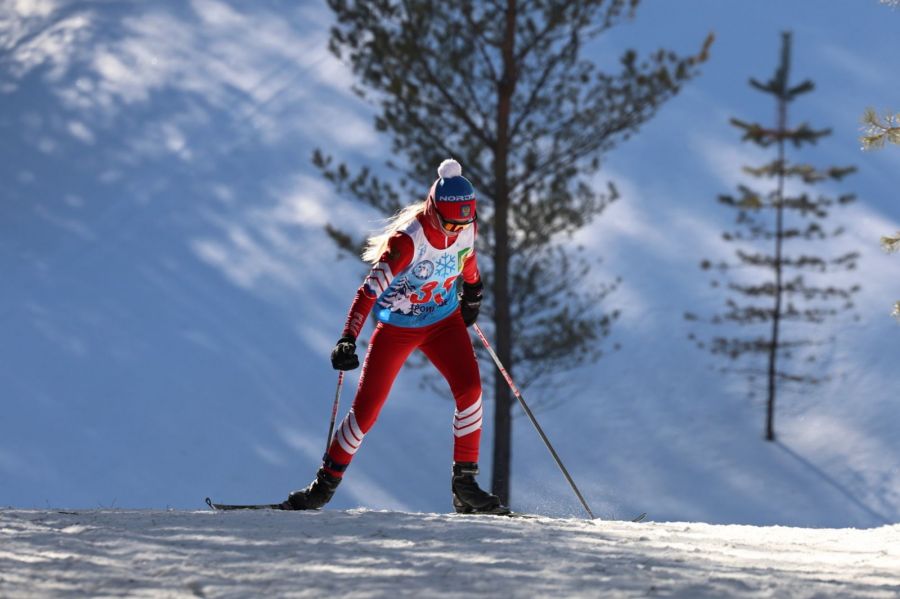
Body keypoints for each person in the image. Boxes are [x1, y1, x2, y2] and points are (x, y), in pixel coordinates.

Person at [283, 158, 508, 515]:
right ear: (434, 211)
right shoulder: (408, 242)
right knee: (366, 412)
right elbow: (368, 292)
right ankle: (322, 488)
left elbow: (467, 258)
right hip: (398, 329)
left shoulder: (464, 226)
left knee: (471, 391)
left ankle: (464, 486)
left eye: (462, 222)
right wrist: (347, 337)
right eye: (449, 221)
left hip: (443, 322)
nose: (455, 229)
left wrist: (474, 290)